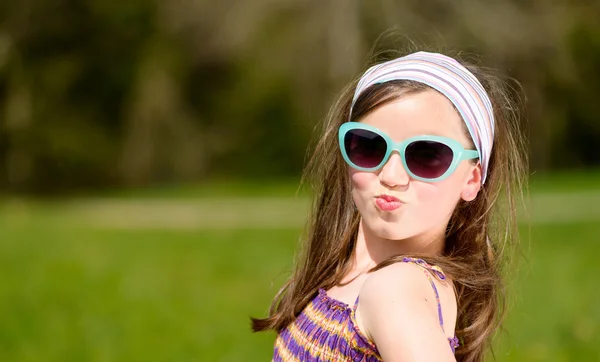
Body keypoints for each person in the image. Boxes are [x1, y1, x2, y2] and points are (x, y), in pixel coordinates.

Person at [252, 49, 528, 362]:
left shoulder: (394, 291)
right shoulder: (346, 275)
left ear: (472, 179)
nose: (391, 175)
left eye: (427, 155)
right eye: (370, 146)